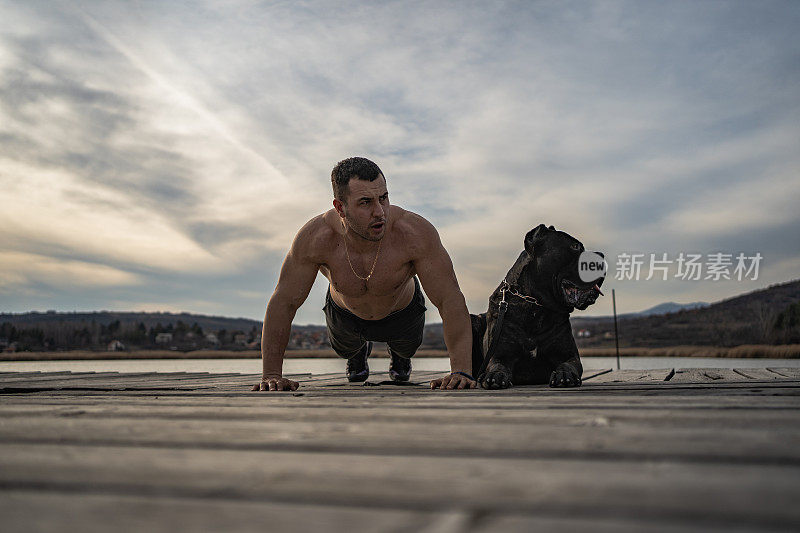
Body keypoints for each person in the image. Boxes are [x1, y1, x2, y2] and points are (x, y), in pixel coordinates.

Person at [252, 157, 476, 392]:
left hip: (403, 313)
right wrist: (271, 375)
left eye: (384, 198)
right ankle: (357, 354)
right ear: (341, 207)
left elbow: (449, 298)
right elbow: (284, 302)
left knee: (406, 348)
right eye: (366, 202)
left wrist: (460, 371)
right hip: (345, 316)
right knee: (346, 348)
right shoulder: (316, 238)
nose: (380, 212)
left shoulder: (413, 233)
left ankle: (400, 357)